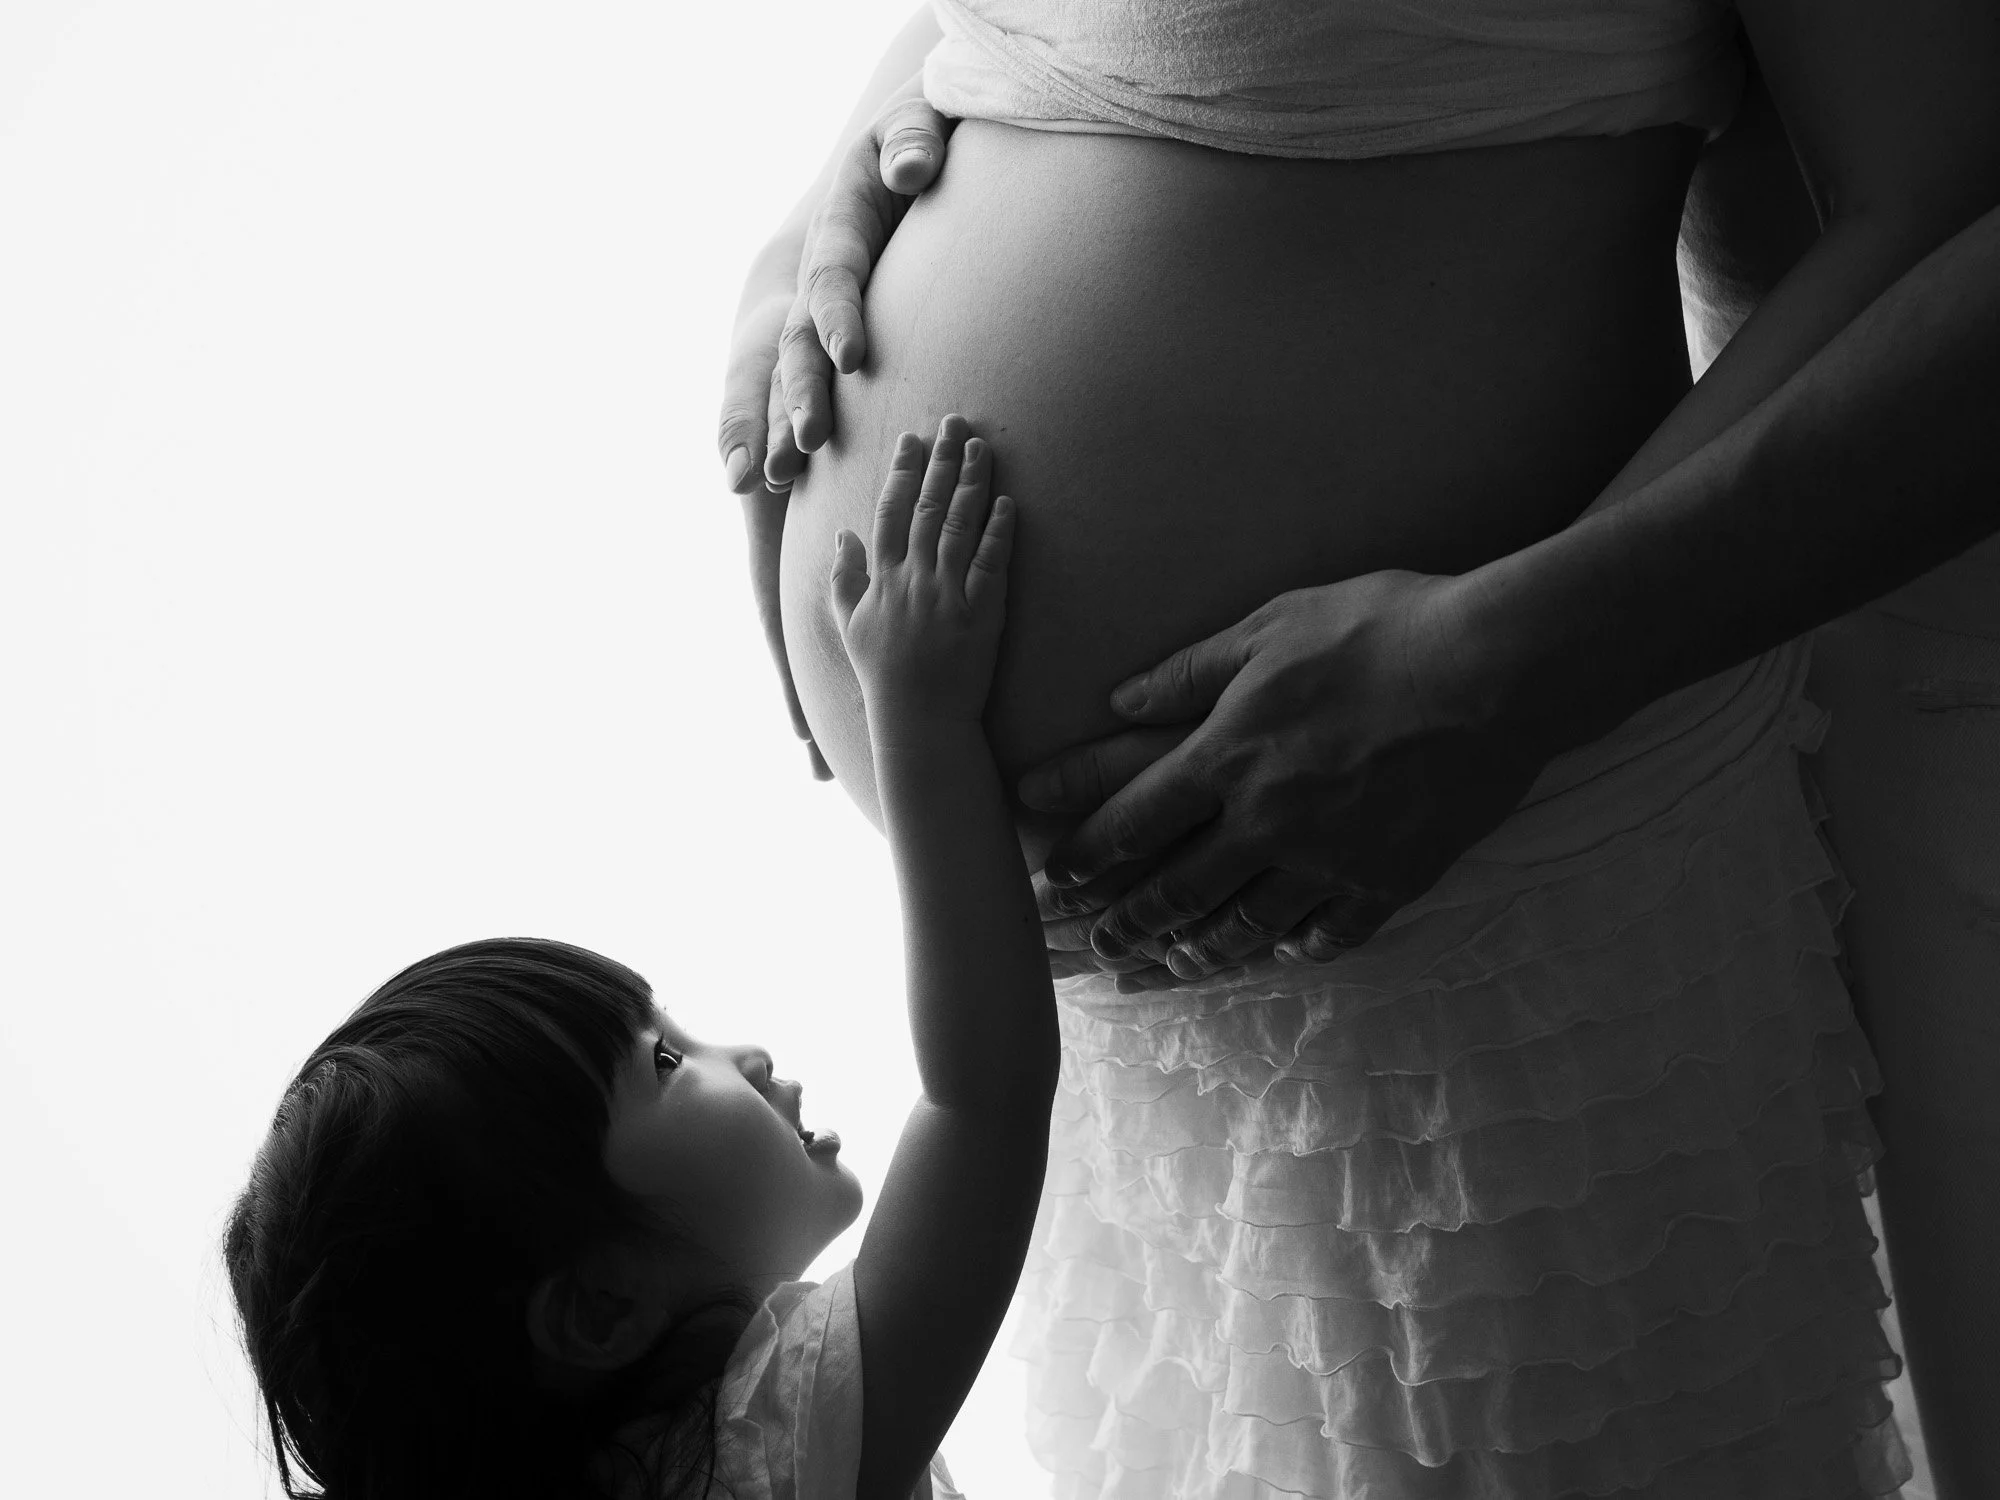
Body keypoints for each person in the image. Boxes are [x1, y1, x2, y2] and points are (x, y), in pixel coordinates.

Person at [717, 5, 2000, 1497]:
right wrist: (797, 258)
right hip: (1129, 1039)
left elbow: (1945, 207)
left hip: (1494, 918)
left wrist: (1515, 664)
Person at [224, 427, 1043, 1499]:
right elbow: (983, 1100)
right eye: (661, 1061)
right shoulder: (761, 1453)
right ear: (600, 1309)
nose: (740, 1054)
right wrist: (921, 718)